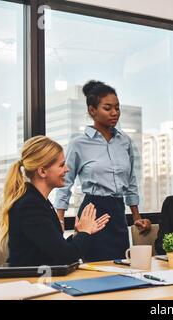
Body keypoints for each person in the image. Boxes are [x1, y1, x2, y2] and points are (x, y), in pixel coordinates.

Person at [54, 80, 151, 262]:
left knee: (121, 265)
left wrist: (136, 217)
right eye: (108, 108)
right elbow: (65, 182)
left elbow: (130, 182)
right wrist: (59, 219)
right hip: (92, 211)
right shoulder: (78, 143)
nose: (114, 113)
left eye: (117, 108)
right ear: (92, 110)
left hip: (118, 212)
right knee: (94, 268)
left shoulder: (125, 142)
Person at [0, 136, 110, 267]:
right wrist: (85, 232)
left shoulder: (38, 201)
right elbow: (66, 257)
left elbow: (53, 249)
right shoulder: (30, 205)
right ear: (42, 171)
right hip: (31, 283)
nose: (67, 169)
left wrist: (79, 234)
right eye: (61, 165)